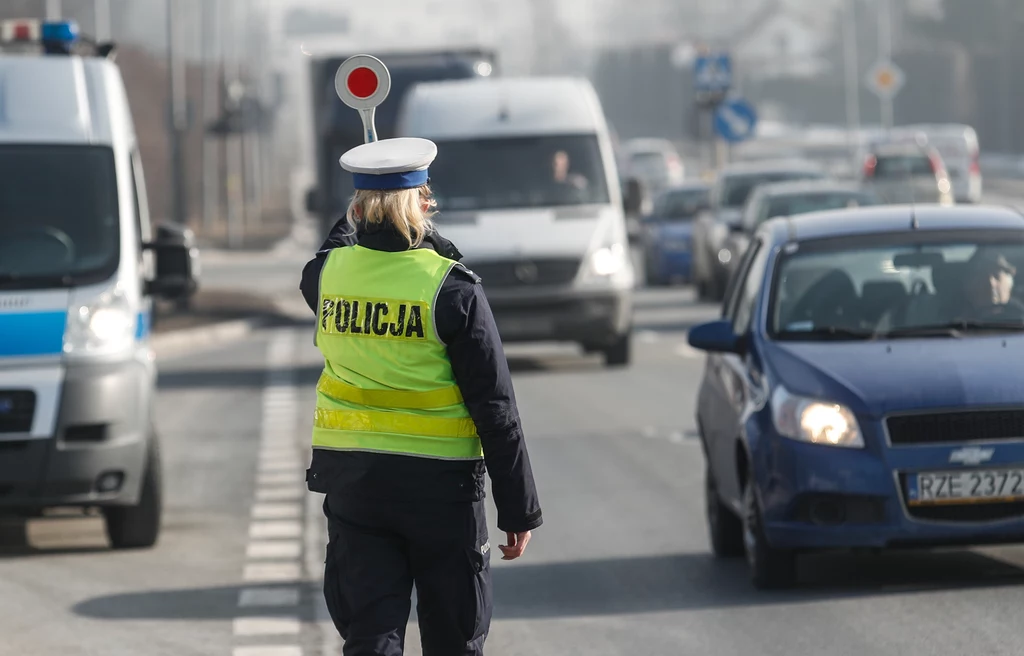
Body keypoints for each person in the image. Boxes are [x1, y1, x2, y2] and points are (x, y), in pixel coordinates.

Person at [299, 136, 542, 656]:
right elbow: (496, 409)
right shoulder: (452, 290)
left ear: (359, 207)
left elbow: (331, 247)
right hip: (441, 491)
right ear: (421, 204)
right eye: (427, 195)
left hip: (356, 485)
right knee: (454, 639)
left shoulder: (326, 278)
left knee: (370, 638)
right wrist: (518, 509)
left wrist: (361, 204)